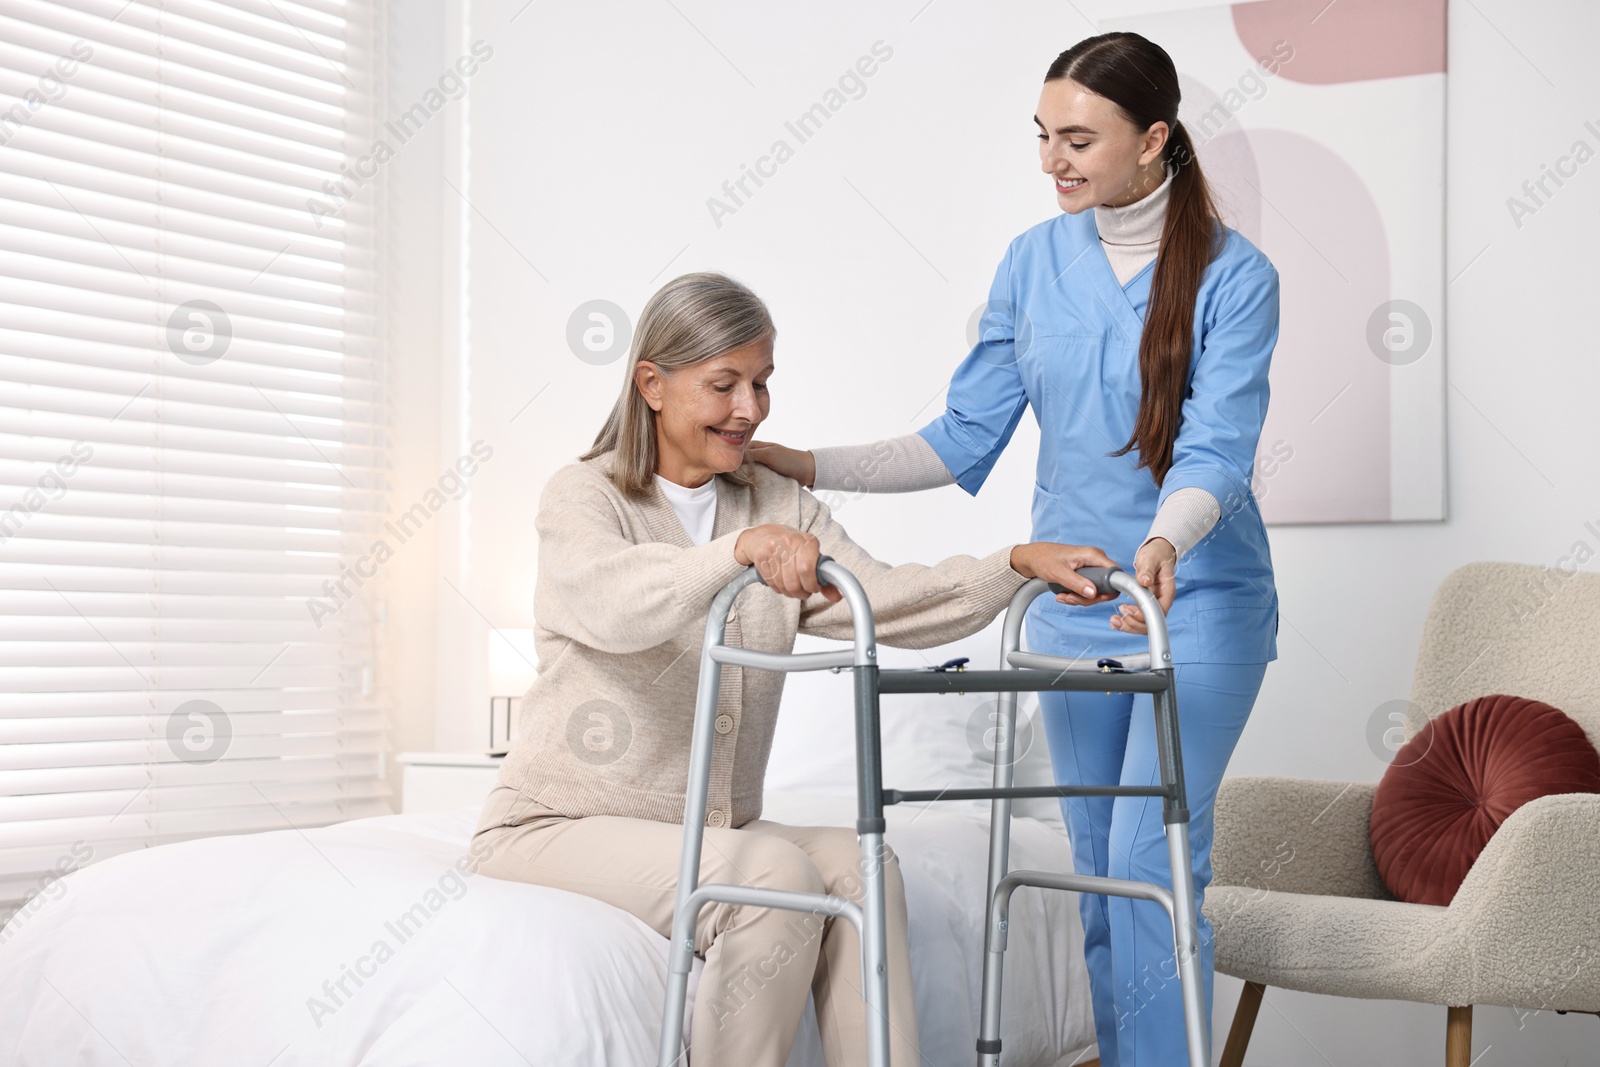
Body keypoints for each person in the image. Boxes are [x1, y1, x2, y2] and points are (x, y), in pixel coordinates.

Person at [748, 32, 1281, 1067]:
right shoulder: (1033, 262)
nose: (1052, 160)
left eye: (1078, 138)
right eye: (1042, 136)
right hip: (1074, 604)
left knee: (1150, 858)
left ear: (1153, 140)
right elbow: (956, 439)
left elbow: (1216, 447)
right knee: (1089, 865)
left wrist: (1163, 545)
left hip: (1196, 595)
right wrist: (802, 460)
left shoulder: (1234, 275)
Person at [472, 270, 1121, 1067]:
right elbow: (614, 602)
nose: (749, 408)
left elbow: (881, 600)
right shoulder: (585, 494)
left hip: (707, 829)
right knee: (773, 876)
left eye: (761, 382)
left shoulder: (773, 500)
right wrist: (733, 555)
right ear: (652, 383)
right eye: (724, 384)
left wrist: (1013, 562)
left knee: (865, 864)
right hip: (554, 822)